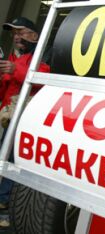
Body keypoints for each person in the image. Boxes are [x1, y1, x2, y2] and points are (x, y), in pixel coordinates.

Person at [0, 17, 50, 227]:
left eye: (20, 32)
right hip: (8, 117)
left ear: (34, 35)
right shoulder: (12, 57)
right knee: (5, 158)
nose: (16, 37)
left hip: (27, 119)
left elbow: (44, 78)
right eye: (14, 33)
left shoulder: (42, 55)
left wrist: (14, 70)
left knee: (14, 161)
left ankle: (6, 207)